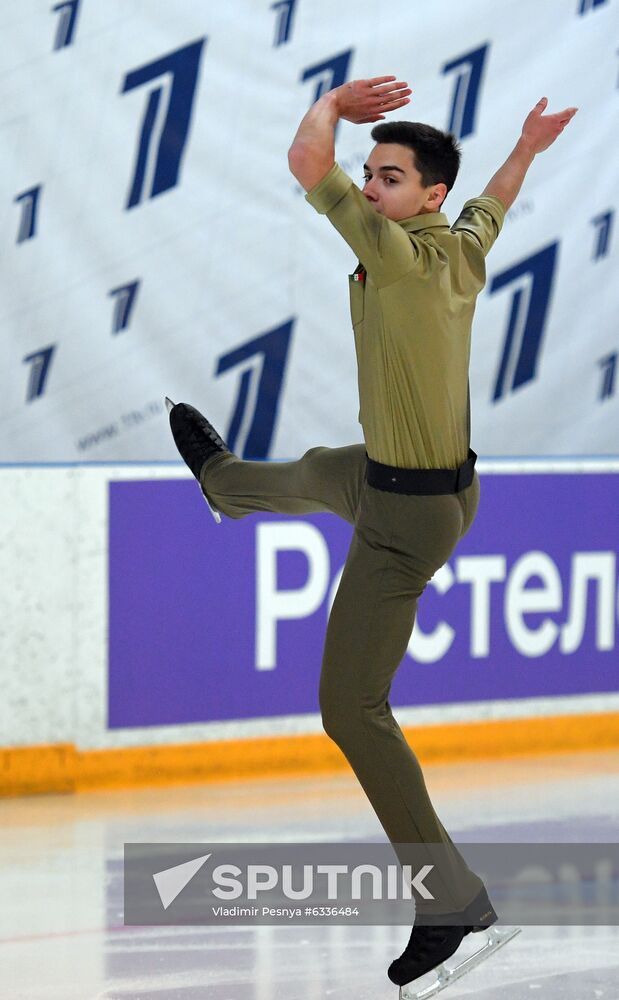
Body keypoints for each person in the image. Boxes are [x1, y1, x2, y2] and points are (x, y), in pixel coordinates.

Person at [166, 77, 577, 991]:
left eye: (388, 177)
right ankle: (226, 487)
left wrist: (332, 101)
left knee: (350, 709)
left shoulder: (392, 254)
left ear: (419, 197)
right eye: (370, 174)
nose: (370, 185)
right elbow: (494, 199)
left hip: (406, 516)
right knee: (321, 468)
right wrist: (527, 147)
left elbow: (306, 160)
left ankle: (449, 904)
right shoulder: (460, 243)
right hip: (427, 482)